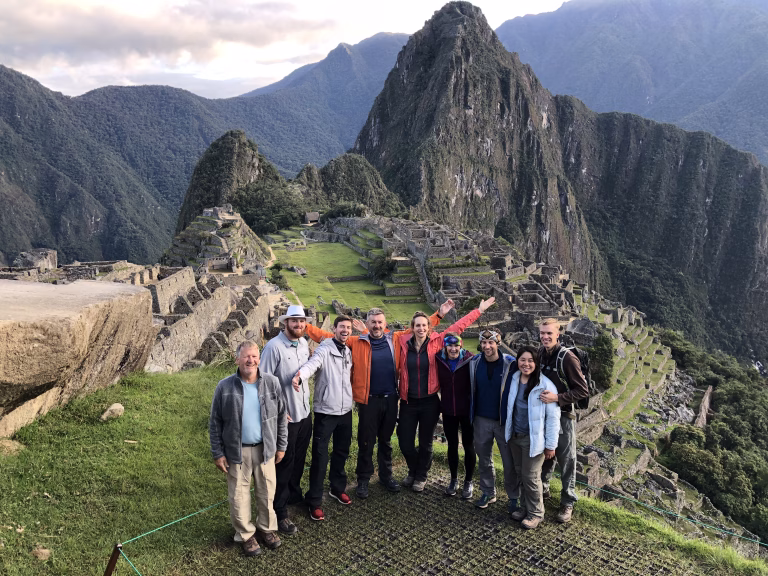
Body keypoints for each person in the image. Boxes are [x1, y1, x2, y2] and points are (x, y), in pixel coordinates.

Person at [305, 301, 455, 499]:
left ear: (384, 324)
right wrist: (302, 326)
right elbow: (327, 336)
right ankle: (364, 479)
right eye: (373, 322)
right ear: (367, 324)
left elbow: (419, 327)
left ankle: (386, 476)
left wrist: (440, 314)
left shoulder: (394, 339)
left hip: (391, 398)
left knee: (386, 441)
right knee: (366, 442)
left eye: (379, 322)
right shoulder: (356, 341)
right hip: (368, 400)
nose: (376, 325)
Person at [396, 298, 495, 492]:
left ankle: (420, 476)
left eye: (424, 325)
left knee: (425, 442)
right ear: (412, 328)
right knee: (405, 440)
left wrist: (479, 310)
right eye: (417, 325)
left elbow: (459, 327)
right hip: (408, 400)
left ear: (429, 327)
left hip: (429, 401)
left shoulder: (437, 342)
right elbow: (378, 335)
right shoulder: (402, 342)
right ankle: (413, 469)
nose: (421, 328)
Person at [209, 340, 287, 557]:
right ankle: (245, 534)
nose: (250, 360)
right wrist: (218, 453)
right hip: (237, 450)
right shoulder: (224, 387)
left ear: (259, 359)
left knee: (267, 491)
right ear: (237, 359)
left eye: (254, 356)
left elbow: (282, 416)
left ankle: (266, 528)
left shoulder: (271, 383)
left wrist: (281, 445)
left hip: (265, 448)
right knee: (239, 495)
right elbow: (215, 422)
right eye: (246, 356)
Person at [292, 316, 354, 521]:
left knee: (341, 452)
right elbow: (313, 364)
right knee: (320, 458)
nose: (345, 330)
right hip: (326, 412)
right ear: (334, 329)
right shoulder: (325, 349)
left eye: (348, 328)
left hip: (345, 411)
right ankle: (314, 500)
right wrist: (301, 375)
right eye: (341, 327)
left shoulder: (348, 351)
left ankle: (337, 488)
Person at [259, 305, 311, 536]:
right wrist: (276, 411)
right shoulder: (273, 348)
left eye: (301, 322)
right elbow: (263, 383)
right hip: (286, 418)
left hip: (304, 413)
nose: (298, 325)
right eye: (294, 321)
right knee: (284, 462)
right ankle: (280, 511)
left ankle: (294, 494)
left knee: (299, 458)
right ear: (285, 323)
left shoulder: (303, 344)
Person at [538, 318, 589, 524]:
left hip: (564, 414)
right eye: (542, 333)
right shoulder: (540, 353)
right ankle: (544, 488)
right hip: (544, 414)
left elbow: (582, 390)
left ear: (558, 334)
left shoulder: (567, 358)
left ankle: (568, 501)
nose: (545, 337)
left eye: (549, 333)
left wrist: (557, 398)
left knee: (567, 459)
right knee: (546, 453)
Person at [505, 345, 560, 529]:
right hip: (515, 435)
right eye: (522, 360)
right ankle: (524, 508)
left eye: (530, 360)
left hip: (533, 439)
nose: (526, 364)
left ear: (537, 363)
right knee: (521, 473)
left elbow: (553, 418)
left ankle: (536, 513)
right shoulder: (513, 379)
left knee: (531, 476)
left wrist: (551, 445)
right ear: (517, 361)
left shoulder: (545, 386)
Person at [469, 328, 518, 511]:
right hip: (481, 419)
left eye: (491, 343)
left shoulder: (509, 364)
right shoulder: (474, 363)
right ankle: (488, 491)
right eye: (483, 343)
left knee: (509, 461)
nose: (487, 346)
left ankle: (514, 496)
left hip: (502, 420)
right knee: (484, 458)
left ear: (498, 343)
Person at [435, 332, 476, 499]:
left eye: (456, 346)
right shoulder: (439, 359)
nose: (453, 349)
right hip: (448, 410)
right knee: (452, 446)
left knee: (468, 446)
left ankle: (468, 481)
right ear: (445, 346)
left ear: (461, 345)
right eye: (450, 346)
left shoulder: (470, 360)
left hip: (466, 410)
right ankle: (453, 479)